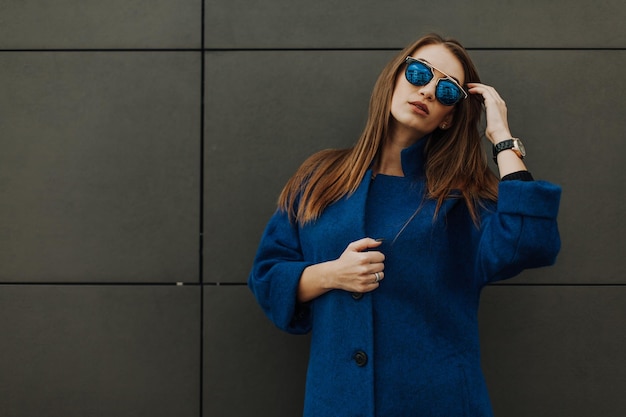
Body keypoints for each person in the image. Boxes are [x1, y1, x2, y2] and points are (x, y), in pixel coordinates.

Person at [248, 33, 561, 417]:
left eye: (447, 91)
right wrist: (331, 274)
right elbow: (267, 275)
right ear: (395, 77)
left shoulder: (461, 195)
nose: (428, 90)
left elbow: (530, 242)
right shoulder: (319, 176)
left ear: (449, 118)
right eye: (419, 73)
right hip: (337, 401)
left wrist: (501, 138)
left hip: (438, 402)